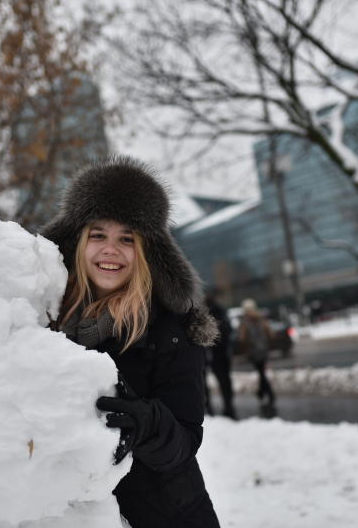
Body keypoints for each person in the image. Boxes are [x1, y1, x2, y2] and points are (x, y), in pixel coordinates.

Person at [42, 156, 221, 528]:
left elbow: (185, 440)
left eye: (127, 238)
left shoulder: (169, 327)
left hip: (164, 514)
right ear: (77, 241)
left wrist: (147, 423)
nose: (111, 249)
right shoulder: (44, 316)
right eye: (98, 235)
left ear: (146, 250)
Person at [204, 290, 237, 419]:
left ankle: (210, 407)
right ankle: (228, 406)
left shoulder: (208, 313)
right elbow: (228, 331)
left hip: (215, 354)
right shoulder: (221, 312)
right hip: (221, 354)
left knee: (205, 383)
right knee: (225, 382)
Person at [237, 298, 275, 407]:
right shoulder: (261, 318)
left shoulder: (244, 322)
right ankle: (263, 392)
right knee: (262, 372)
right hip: (264, 350)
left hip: (253, 352)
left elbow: (242, 338)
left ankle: (266, 394)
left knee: (261, 373)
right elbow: (271, 333)